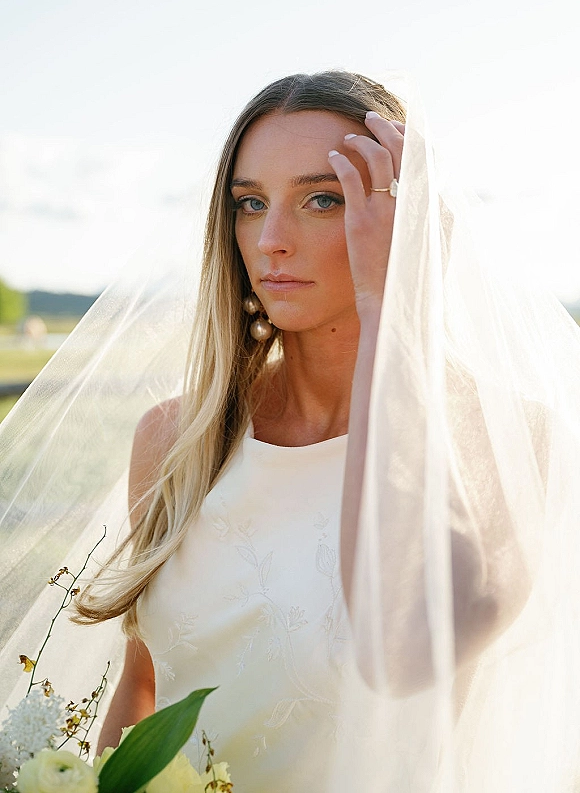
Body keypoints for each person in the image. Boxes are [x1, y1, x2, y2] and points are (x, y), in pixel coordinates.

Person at [3, 71, 580, 792]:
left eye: (323, 199)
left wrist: (386, 303)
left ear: (409, 219)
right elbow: (143, 692)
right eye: (250, 203)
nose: (271, 240)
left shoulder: (510, 443)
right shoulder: (175, 440)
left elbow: (395, 651)